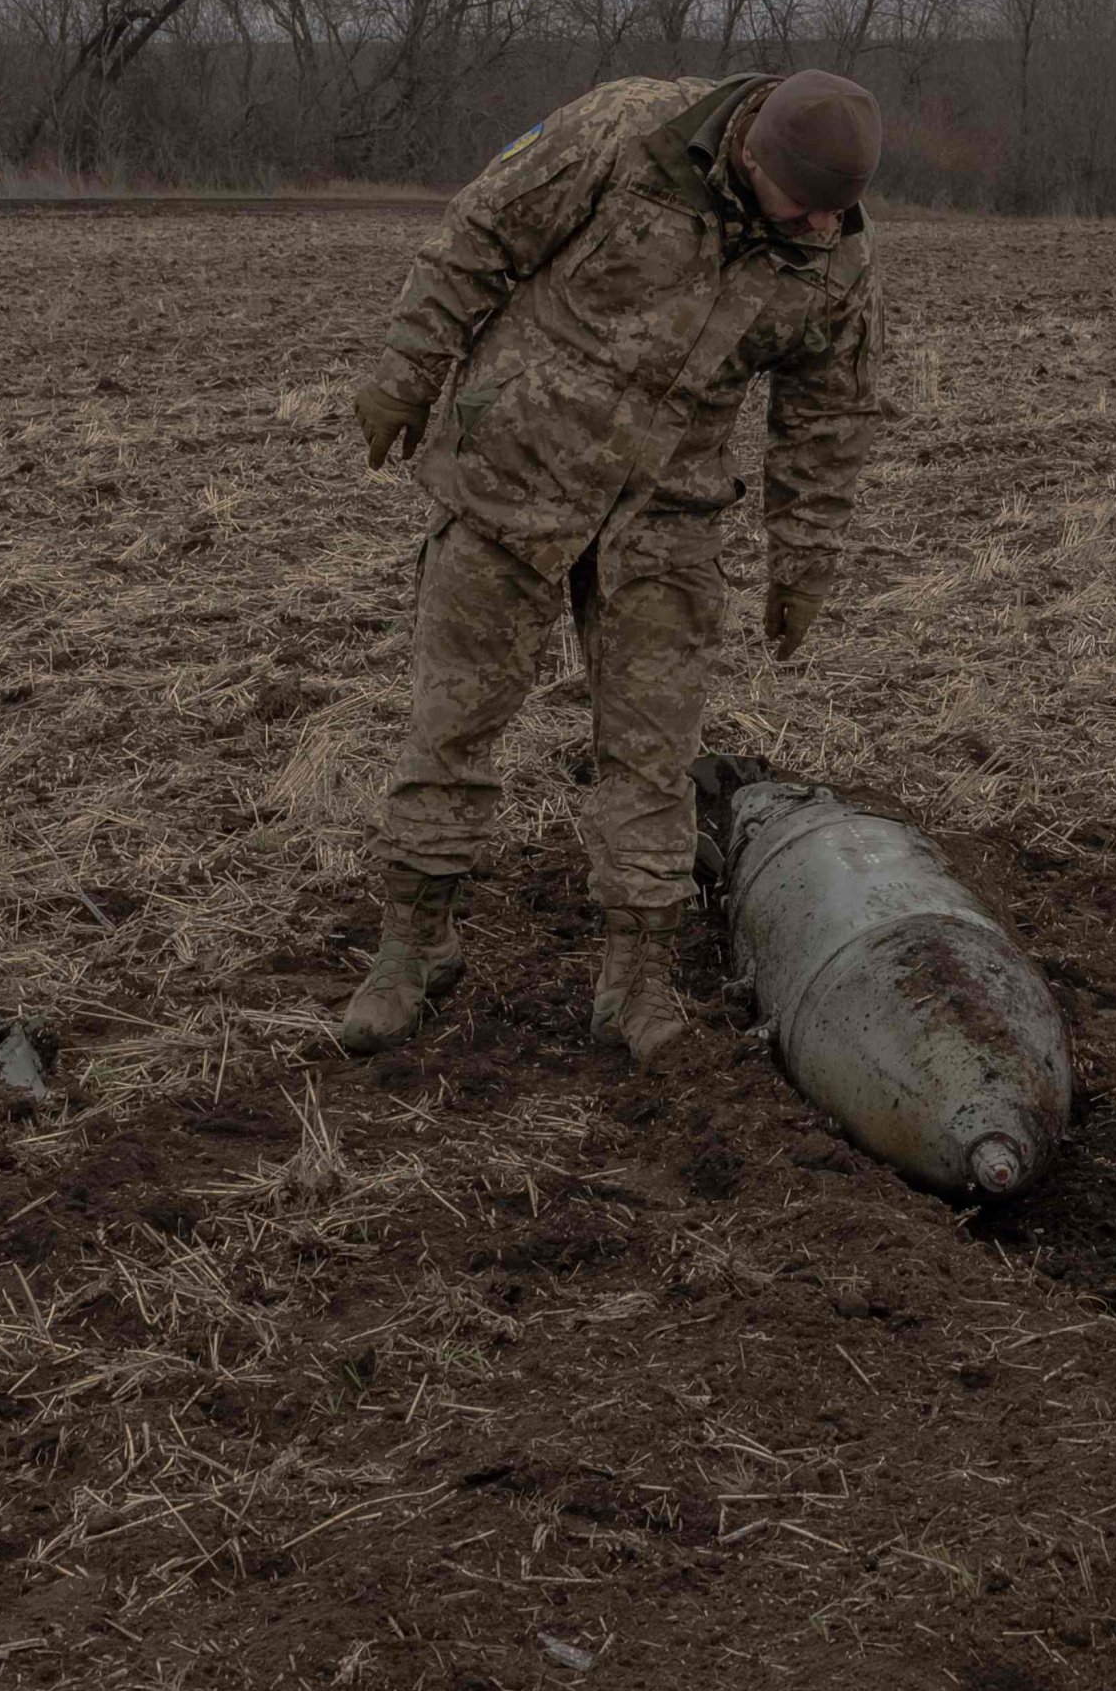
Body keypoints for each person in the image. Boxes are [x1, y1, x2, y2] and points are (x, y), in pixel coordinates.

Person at [335, 68, 882, 1065]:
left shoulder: (830, 256)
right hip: (515, 473)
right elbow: (481, 235)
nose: (809, 226)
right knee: (452, 723)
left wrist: (804, 559)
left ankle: (635, 982)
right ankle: (411, 950)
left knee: (650, 759)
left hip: (665, 518)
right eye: (797, 204)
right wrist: (405, 368)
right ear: (751, 150)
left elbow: (829, 419)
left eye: (827, 213)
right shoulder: (627, 135)